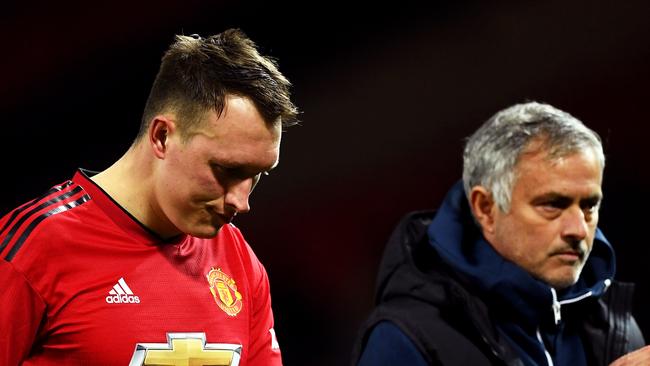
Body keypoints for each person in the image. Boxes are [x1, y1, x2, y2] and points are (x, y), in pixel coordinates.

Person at [0, 29, 298, 366]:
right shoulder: (33, 249)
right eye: (227, 170)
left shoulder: (240, 263)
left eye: (256, 175)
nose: (242, 202)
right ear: (161, 136)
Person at [352, 102, 649, 365]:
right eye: (552, 205)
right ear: (486, 208)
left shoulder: (615, 330)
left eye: (589, 205)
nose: (578, 229)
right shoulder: (406, 340)